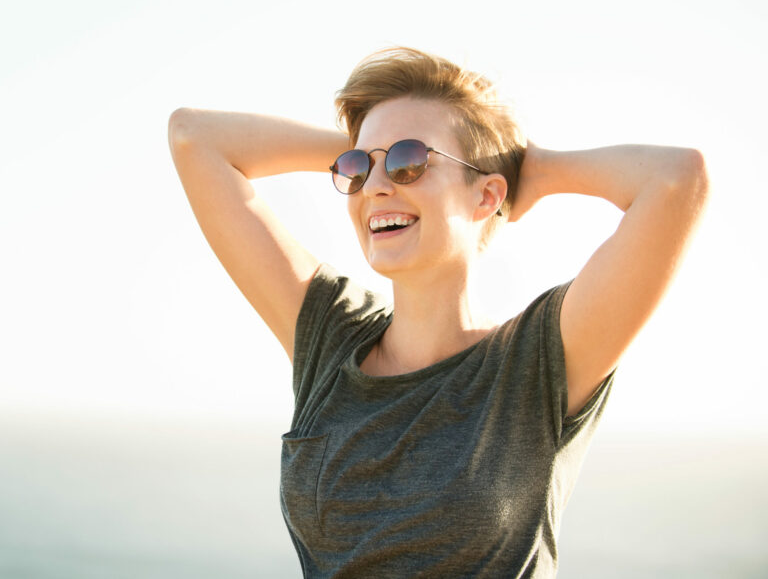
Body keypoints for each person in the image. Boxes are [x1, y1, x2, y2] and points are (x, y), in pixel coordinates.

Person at [166, 47, 709, 578]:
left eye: (409, 162)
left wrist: (530, 169)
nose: (374, 187)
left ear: (485, 197)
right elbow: (194, 136)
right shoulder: (330, 341)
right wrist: (371, 149)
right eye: (357, 170)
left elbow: (676, 180)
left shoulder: (538, 360)